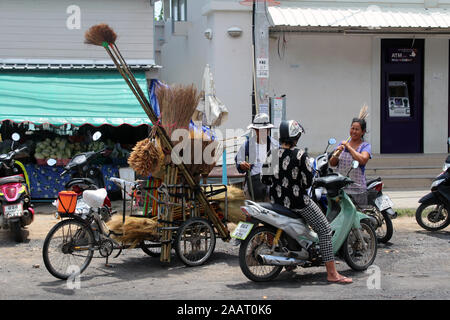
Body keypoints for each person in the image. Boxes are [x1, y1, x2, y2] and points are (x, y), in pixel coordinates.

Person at [261, 120, 353, 284]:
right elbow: (308, 182)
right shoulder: (300, 155)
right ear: (296, 137)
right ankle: (332, 273)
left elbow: (265, 179)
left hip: (278, 203)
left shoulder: (272, 153)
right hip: (299, 203)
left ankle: (291, 261)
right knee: (324, 230)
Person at [235, 113, 278, 201]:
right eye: (258, 130)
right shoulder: (247, 145)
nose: (261, 132)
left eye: (264, 130)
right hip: (253, 184)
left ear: (268, 129)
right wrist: (242, 165)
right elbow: (239, 162)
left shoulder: (275, 145)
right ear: (255, 130)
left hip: (271, 186)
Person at [329, 117, 372, 205]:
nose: (354, 131)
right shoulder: (342, 144)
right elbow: (332, 163)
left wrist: (349, 147)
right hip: (342, 189)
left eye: (357, 129)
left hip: (358, 190)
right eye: (352, 128)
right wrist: (337, 153)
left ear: (363, 132)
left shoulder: (365, 146)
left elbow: (363, 160)